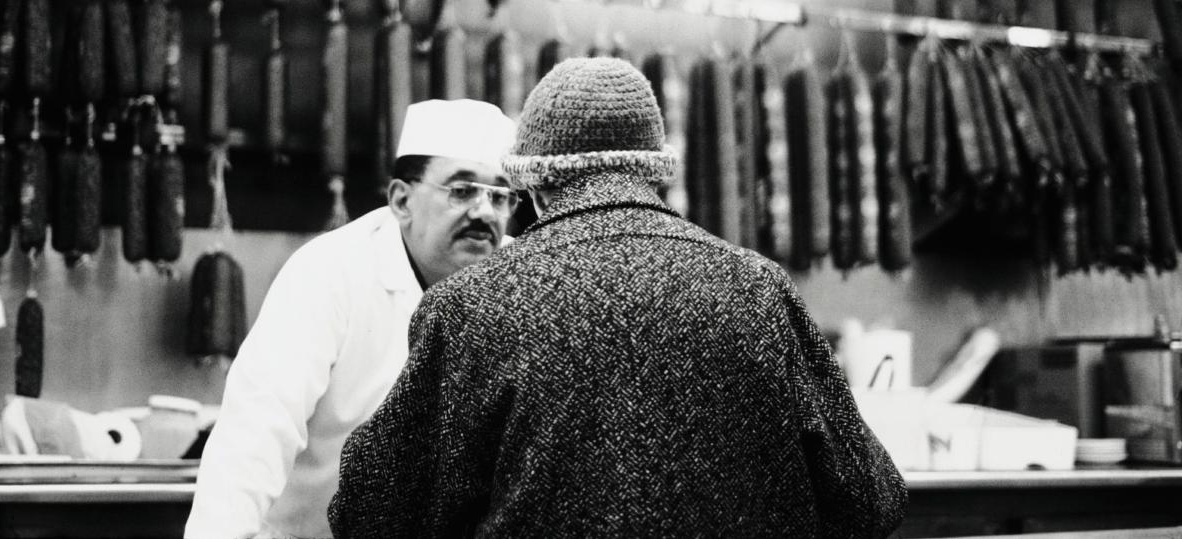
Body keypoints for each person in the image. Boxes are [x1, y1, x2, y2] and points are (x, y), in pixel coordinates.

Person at [329, 59, 908, 537]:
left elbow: (368, 512)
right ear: (654, 171)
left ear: (533, 183)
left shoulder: (469, 307)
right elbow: (871, 499)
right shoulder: (761, 289)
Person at [185, 99, 518, 539]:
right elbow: (257, 429)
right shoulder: (331, 272)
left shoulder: (520, 282)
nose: (484, 213)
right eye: (462, 191)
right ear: (401, 200)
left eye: (499, 196)